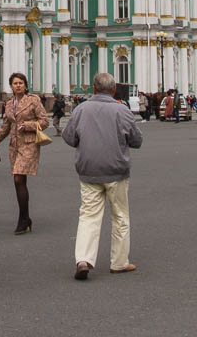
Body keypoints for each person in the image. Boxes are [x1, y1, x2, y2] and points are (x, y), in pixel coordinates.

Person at [62, 72, 143, 280]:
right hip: (116, 171)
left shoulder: (81, 109)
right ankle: (119, 262)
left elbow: (69, 137)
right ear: (114, 90)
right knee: (120, 217)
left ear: (94, 89)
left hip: (89, 171)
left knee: (88, 216)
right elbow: (136, 140)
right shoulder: (122, 110)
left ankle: (83, 260)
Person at [0, 72, 49, 235]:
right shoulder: (9, 104)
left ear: (25, 85)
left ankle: (23, 219)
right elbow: (6, 126)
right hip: (15, 146)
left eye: (20, 83)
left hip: (29, 144)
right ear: (11, 86)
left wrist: (28, 125)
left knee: (18, 177)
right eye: (15, 83)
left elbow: (44, 121)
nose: (18, 86)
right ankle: (25, 217)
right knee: (19, 181)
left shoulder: (33, 100)